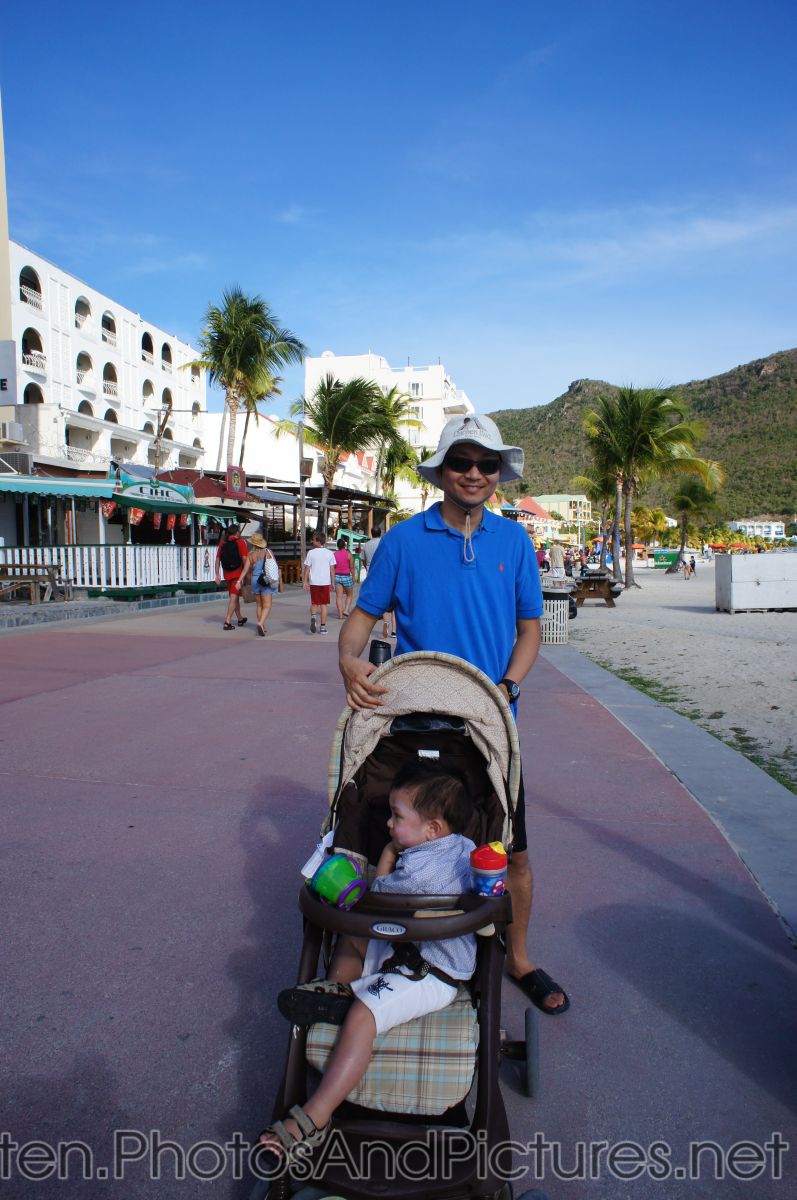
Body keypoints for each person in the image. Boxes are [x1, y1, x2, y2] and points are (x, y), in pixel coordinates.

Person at [338, 413, 568, 1015]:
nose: (473, 473)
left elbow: (529, 630)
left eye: (486, 464)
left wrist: (508, 687)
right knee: (371, 836)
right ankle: (351, 960)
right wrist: (347, 660)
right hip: (413, 717)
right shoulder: (404, 540)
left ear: (499, 474)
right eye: (461, 462)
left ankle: (519, 957)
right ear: (442, 470)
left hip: (489, 723)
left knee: (508, 849)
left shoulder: (514, 541)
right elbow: (363, 616)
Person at [260, 764, 476, 1163]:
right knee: (356, 935)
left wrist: (385, 857)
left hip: (429, 972)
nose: (389, 824)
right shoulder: (461, 847)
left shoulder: (422, 873)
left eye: (397, 817)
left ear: (432, 830)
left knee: (362, 1014)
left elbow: (378, 894)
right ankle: (339, 991)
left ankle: (315, 1116)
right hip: (408, 948)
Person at [234, 533, 278, 637]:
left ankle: (262, 625)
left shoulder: (250, 555)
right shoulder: (268, 552)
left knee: (259, 605)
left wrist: (239, 581)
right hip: (265, 580)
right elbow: (273, 566)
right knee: (267, 606)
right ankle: (260, 623)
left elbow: (245, 569)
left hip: (255, 580)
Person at [360, 527, 395, 637]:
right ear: (380, 533)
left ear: (371, 533)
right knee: (392, 604)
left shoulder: (366, 545)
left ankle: (383, 620)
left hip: (372, 572)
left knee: (380, 600)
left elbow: (363, 559)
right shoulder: (384, 542)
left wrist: (367, 568)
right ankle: (394, 630)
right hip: (385, 572)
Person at [215, 524, 249, 630]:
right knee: (234, 598)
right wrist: (246, 572)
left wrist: (217, 574)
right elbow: (244, 559)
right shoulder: (240, 543)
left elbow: (217, 559)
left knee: (234, 597)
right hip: (237, 574)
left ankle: (239, 618)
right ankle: (227, 621)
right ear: (237, 532)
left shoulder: (222, 543)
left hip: (227, 573)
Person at [303, 532, 336, 634]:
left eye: (313, 539)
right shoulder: (330, 553)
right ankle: (322, 627)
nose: (312, 541)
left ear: (318, 541)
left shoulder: (311, 553)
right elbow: (332, 570)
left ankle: (313, 617)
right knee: (324, 605)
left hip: (314, 582)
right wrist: (333, 582)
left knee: (314, 603)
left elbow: (307, 568)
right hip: (325, 582)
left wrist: (305, 581)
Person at [333, 537, 355, 620]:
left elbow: (333, 567)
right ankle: (346, 610)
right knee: (349, 595)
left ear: (337, 546)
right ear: (344, 545)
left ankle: (340, 614)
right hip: (346, 576)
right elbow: (352, 567)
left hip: (337, 576)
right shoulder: (349, 554)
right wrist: (353, 577)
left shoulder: (334, 554)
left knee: (339, 596)